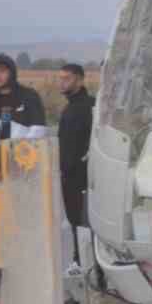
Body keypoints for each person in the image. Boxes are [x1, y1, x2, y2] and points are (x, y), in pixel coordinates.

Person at [0, 53, 46, 181]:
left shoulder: (29, 96)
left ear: (12, 73)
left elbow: (38, 129)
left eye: (2, 71)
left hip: (25, 162)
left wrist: (19, 156)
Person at [56, 63, 95, 276]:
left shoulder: (89, 106)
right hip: (68, 175)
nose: (62, 82)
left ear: (80, 80)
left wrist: (83, 163)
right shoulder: (70, 107)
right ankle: (81, 261)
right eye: (60, 78)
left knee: (82, 221)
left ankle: (82, 263)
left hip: (82, 176)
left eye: (67, 78)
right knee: (74, 221)